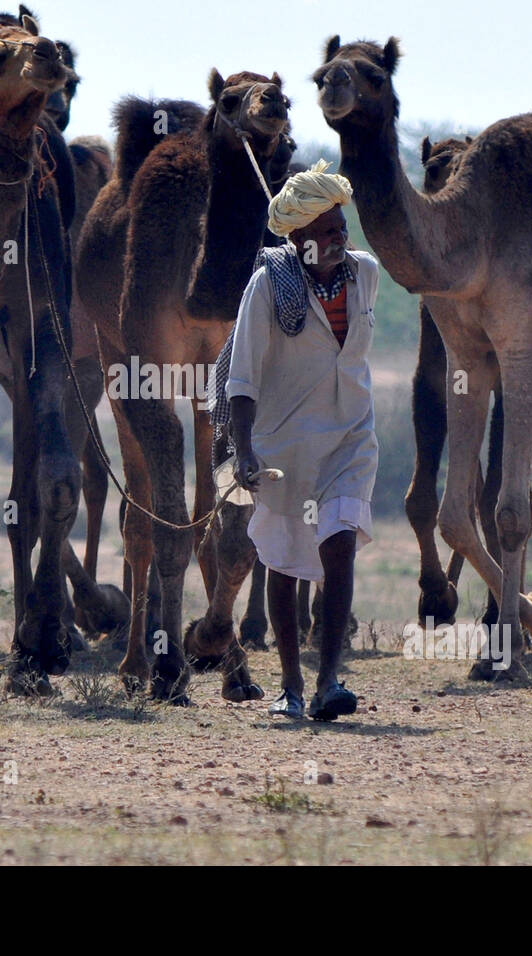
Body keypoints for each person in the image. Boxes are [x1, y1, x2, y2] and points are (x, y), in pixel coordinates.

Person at [222, 161, 379, 720]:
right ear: (299, 238)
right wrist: (243, 450)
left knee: (339, 546)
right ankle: (290, 686)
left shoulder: (367, 275)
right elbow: (241, 378)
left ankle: (329, 680)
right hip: (282, 447)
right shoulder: (270, 285)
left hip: (351, 439)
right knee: (285, 564)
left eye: (342, 228)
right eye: (328, 232)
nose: (341, 239)